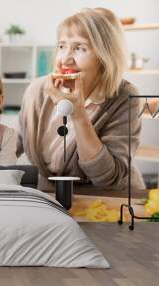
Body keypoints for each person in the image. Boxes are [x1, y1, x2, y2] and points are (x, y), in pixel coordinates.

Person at [17, 8, 145, 190]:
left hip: (110, 201)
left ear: (104, 56)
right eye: (62, 46)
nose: (65, 59)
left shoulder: (125, 97)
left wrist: (78, 113)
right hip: (52, 197)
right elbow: (13, 144)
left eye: (79, 48)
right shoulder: (36, 89)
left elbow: (108, 178)